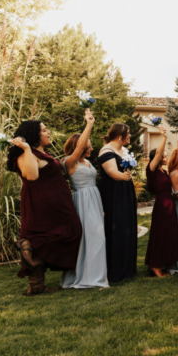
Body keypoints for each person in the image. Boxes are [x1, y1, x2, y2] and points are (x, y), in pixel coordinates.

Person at [7, 121, 82, 296]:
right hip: (42, 204)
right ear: (34, 134)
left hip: (56, 204)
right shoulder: (25, 155)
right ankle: (29, 245)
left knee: (65, 232)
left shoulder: (42, 153)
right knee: (52, 234)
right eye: (44, 130)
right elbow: (32, 176)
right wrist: (26, 148)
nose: (48, 132)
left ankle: (36, 284)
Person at [60, 109, 109, 289]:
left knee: (97, 237)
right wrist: (89, 124)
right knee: (88, 238)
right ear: (78, 145)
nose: (91, 148)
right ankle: (89, 278)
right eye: (88, 146)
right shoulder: (68, 162)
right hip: (81, 201)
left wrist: (100, 208)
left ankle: (94, 276)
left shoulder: (87, 162)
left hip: (94, 200)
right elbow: (79, 148)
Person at [97, 123, 137, 282]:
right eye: (128, 133)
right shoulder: (106, 150)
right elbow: (112, 172)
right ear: (120, 136)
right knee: (117, 227)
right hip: (113, 194)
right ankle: (116, 269)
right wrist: (124, 176)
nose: (130, 136)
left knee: (127, 226)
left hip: (125, 190)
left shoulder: (124, 150)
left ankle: (127, 267)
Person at [144, 126, 178, 277]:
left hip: (169, 202)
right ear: (158, 158)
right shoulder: (151, 169)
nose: (166, 158)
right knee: (160, 234)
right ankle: (155, 266)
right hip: (162, 204)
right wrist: (164, 137)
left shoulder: (164, 171)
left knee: (169, 233)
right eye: (164, 156)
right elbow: (158, 152)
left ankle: (164, 263)